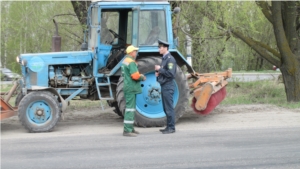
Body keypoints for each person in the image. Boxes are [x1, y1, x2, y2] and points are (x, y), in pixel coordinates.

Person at [122, 45, 146, 137]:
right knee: (130, 109)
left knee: (131, 109)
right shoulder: (131, 62)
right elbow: (135, 76)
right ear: (131, 52)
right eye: (135, 51)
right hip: (131, 88)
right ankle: (127, 130)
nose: (136, 53)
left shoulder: (125, 61)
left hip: (128, 87)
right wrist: (142, 77)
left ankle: (130, 128)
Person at [155, 39, 177, 134]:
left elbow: (171, 74)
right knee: (165, 108)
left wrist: (160, 69)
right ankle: (168, 126)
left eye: (160, 47)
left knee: (169, 108)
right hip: (164, 86)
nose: (159, 49)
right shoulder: (164, 59)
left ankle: (171, 128)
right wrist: (158, 74)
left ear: (165, 48)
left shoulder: (170, 59)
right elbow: (165, 73)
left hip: (168, 86)